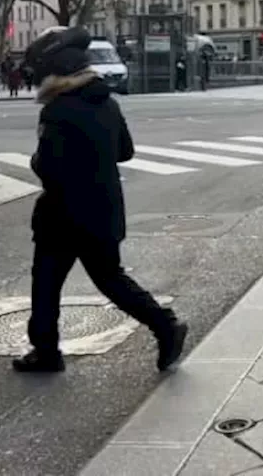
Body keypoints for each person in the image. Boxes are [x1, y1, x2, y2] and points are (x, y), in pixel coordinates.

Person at [13, 26, 187, 373]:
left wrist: (39, 160)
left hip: (62, 215)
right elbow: (126, 151)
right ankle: (164, 324)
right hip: (103, 208)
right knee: (112, 280)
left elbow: (46, 168)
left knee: (46, 282)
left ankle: (46, 351)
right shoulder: (106, 101)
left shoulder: (56, 111)